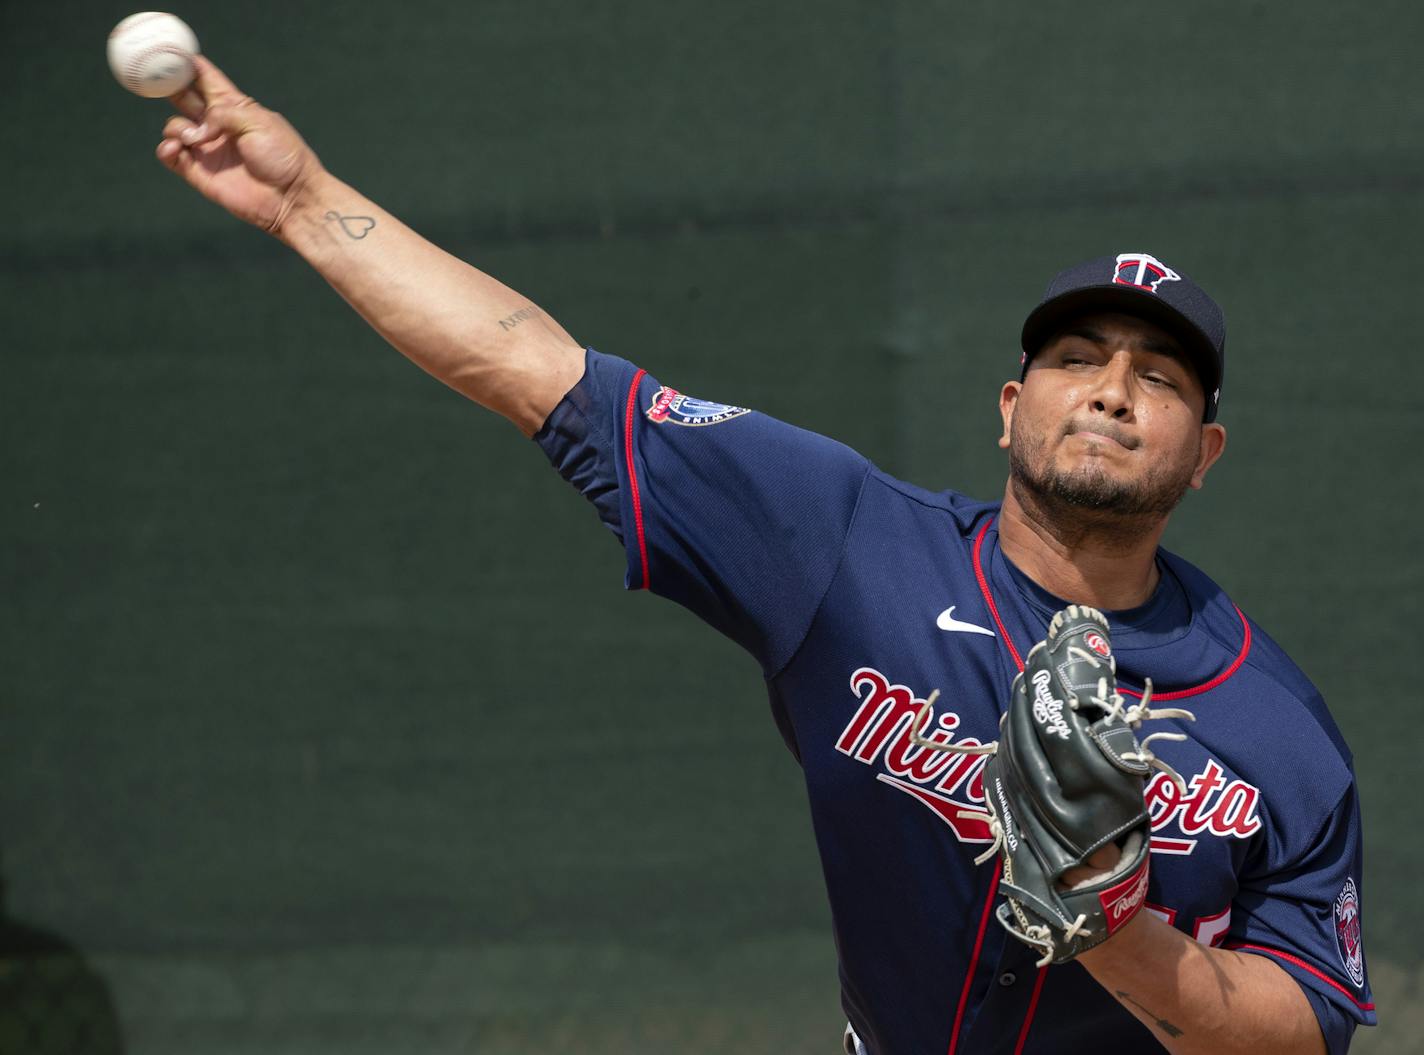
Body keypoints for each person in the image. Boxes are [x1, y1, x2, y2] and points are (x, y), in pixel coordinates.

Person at [152, 56, 1376, 1055]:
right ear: (1007, 406)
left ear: (1202, 449)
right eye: (1075, 359)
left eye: (1155, 376)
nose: (1110, 391)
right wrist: (304, 195)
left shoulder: (1274, 729)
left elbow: (1302, 1026)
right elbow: (537, 369)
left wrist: (1114, 922)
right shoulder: (838, 538)